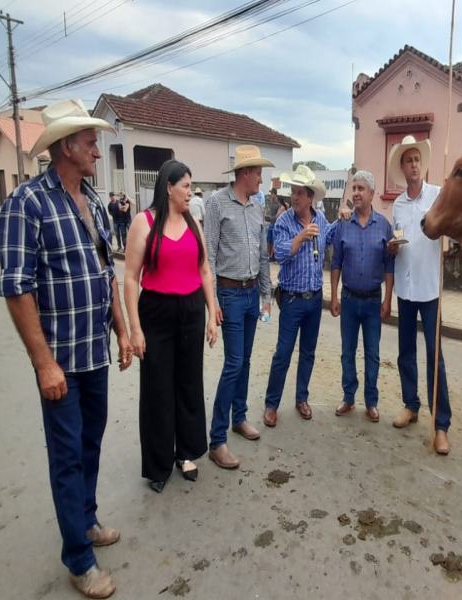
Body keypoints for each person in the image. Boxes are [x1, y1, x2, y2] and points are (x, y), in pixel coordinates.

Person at [0, 99, 132, 599]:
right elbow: (17, 287)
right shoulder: (27, 204)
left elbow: (104, 273)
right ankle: (78, 558)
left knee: (90, 444)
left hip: (93, 353)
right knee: (67, 456)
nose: (98, 148)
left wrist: (120, 329)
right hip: (60, 364)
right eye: (91, 141)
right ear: (67, 147)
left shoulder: (93, 201)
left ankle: (88, 520)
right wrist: (43, 362)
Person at [123, 160, 218, 493]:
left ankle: (186, 453)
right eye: (186, 187)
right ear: (168, 187)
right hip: (156, 312)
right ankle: (159, 464)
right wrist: (135, 328)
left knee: (189, 384)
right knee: (158, 388)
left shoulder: (193, 222)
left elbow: (205, 270)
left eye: (191, 187)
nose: (191, 193)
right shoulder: (144, 222)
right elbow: (131, 278)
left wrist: (212, 311)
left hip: (191, 309)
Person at [204, 145, 273, 470]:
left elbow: (262, 254)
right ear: (244, 174)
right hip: (229, 294)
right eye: (258, 172)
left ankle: (239, 417)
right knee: (233, 363)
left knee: (244, 360)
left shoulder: (258, 207)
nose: (261, 178)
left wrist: (266, 295)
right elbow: (209, 255)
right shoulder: (217, 203)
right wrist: (213, 301)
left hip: (250, 295)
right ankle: (217, 440)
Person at [386, 135, 452, 455]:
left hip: (429, 288)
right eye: (408, 160)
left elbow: (449, 226)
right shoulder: (397, 204)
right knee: (405, 352)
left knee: (434, 357)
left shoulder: (438, 196)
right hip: (405, 287)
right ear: (402, 167)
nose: (413, 165)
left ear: (422, 165)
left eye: (417, 160)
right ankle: (410, 405)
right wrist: (392, 247)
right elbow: (397, 241)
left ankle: (440, 425)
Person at [262, 165, 339, 426]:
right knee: (283, 352)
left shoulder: (321, 220)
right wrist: (301, 238)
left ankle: (301, 398)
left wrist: (344, 217)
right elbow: (280, 254)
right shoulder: (284, 221)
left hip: (315, 299)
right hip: (292, 298)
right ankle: (271, 404)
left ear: (310, 197)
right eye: (292, 192)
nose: (294, 197)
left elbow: (331, 239)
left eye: (299, 193)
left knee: (308, 352)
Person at [329, 170, 394, 423]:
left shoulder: (384, 225)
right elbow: (336, 262)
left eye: (360, 188)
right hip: (348, 298)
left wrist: (388, 299)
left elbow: (389, 265)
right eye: (353, 188)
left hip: (372, 300)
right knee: (347, 351)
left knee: (372, 352)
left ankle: (371, 401)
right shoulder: (344, 224)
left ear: (372, 194)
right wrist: (333, 295)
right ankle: (348, 396)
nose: (355, 193)